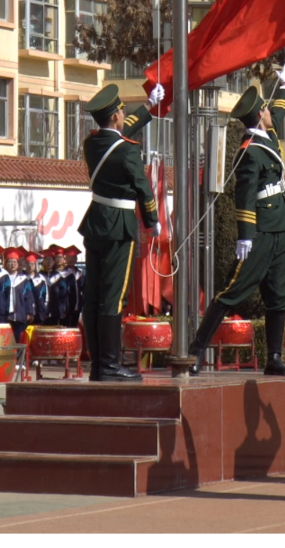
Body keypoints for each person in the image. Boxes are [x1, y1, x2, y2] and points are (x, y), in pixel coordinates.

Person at [189, 65, 285, 377]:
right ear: (258, 115)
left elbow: (278, 113)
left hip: (281, 227)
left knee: (278, 296)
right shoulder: (250, 149)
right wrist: (245, 235)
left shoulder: (266, 133)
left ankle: (274, 357)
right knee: (232, 291)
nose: (269, 112)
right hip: (262, 230)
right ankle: (197, 350)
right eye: (265, 108)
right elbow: (244, 193)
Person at [78, 82, 164, 382]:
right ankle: (111, 366)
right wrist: (153, 220)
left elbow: (118, 131)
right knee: (113, 298)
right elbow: (143, 188)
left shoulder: (92, 144)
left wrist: (148, 107)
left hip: (96, 222)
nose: (124, 114)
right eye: (121, 111)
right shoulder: (128, 151)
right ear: (115, 116)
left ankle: (99, 365)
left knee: (94, 295)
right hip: (120, 226)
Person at [3, 247, 35, 343]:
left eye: (14, 262)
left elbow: (29, 297)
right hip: (6, 316)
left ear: (18, 264)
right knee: (7, 340)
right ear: (6, 264)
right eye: (10, 262)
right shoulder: (2, 278)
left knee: (19, 339)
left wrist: (29, 312)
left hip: (20, 315)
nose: (12, 264)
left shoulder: (24, 279)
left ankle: (20, 358)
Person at [24, 250, 49, 325]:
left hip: (39, 311)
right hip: (26, 312)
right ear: (25, 265)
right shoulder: (22, 278)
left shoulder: (41, 279)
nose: (30, 266)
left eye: (32, 264)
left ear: (35, 265)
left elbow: (46, 295)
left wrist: (45, 309)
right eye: (28, 264)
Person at [63, 244, 84, 328]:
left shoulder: (80, 273)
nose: (72, 260)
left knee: (75, 327)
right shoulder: (63, 273)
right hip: (66, 307)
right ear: (66, 259)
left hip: (77, 306)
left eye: (74, 258)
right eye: (70, 257)